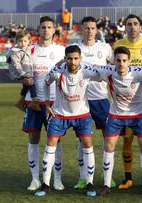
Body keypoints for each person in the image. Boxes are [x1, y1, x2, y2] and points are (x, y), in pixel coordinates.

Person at [84, 46, 142, 196]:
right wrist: (64, 62)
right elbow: (87, 67)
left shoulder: (140, 72)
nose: (121, 64)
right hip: (116, 116)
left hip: (138, 115)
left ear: (129, 61)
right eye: (118, 61)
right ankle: (106, 185)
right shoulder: (108, 71)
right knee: (108, 147)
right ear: (113, 61)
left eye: (124, 60)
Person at [35, 45, 97, 197]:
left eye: (76, 58)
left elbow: (105, 74)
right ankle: (46, 184)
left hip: (82, 114)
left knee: (87, 145)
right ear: (65, 58)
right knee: (50, 145)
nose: (73, 62)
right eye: (69, 58)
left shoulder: (87, 70)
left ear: (80, 58)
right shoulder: (57, 71)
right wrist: (46, 103)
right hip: (59, 114)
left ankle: (90, 183)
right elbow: (45, 82)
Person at [113, 14, 142, 189]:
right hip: (124, 103)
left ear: (140, 26)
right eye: (129, 24)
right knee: (127, 139)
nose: (132, 27)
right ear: (124, 27)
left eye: (135, 24)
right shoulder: (118, 45)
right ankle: (128, 178)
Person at [22, 16, 65, 191]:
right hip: (33, 102)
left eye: (49, 27)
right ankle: (34, 179)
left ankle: (57, 179)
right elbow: (22, 73)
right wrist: (23, 78)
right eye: (43, 27)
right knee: (33, 139)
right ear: (38, 30)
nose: (46, 30)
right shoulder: (29, 50)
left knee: (56, 140)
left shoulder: (62, 51)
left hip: (54, 101)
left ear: (54, 30)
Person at [72, 16, 115, 190]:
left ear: (97, 30)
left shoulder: (105, 48)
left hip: (101, 100)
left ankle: (108, 177)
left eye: (92, 28)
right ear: (81, 29)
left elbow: (115, 67)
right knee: (83, 140)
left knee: (108, 139)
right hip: (80, 100)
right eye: (86, 28)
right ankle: (83, 177)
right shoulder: (75, 49)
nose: (89, 31)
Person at [7, 30, 40, 112]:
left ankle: (20, 102)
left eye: (25, 41)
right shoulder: (16, 52)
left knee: (26, 86)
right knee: (30, 82)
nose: (23, 43)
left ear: (29, 41)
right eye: (20, 41)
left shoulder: (27, 48)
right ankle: (34, 100)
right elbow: (16, 64)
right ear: (17, 41)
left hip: (26, 71)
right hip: (19, 72)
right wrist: (23, 74)